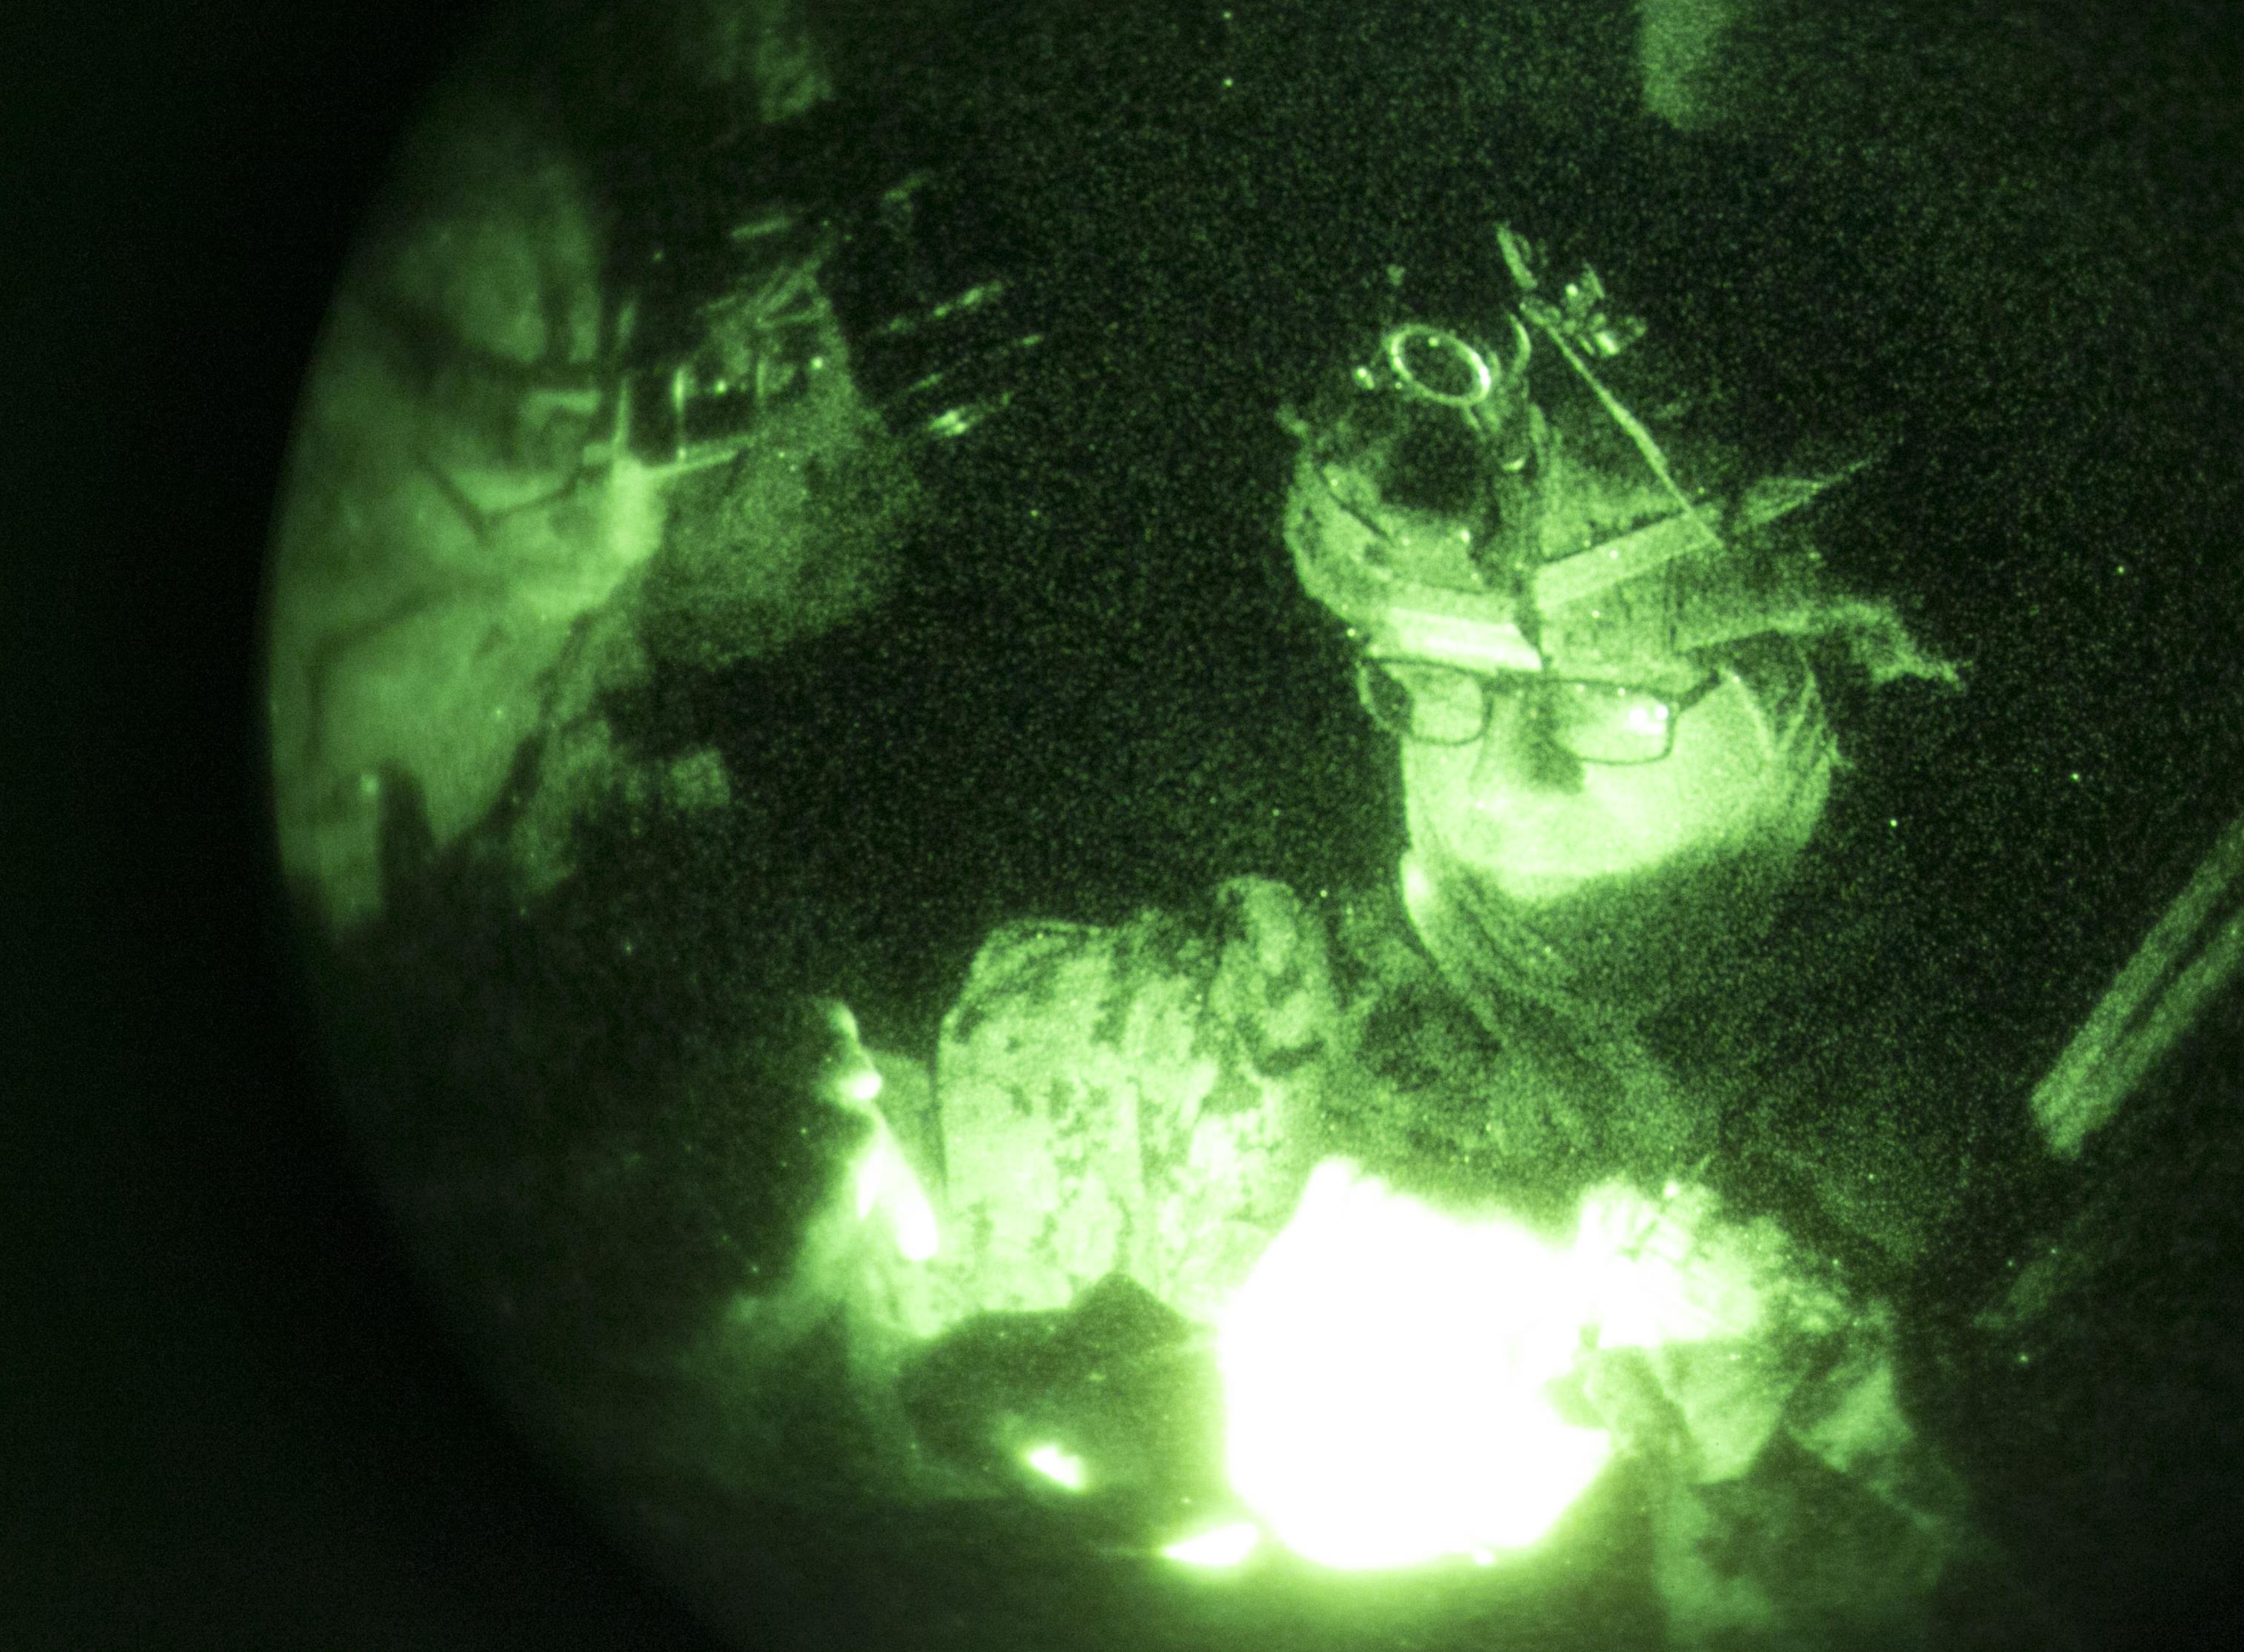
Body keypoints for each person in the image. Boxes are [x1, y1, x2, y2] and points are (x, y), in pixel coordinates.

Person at [704, 221, 1973, 1650]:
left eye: (1606, 705)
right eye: (1436, 689)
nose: (1501, 786)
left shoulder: (1948, 1124)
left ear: (1827, 700)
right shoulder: (1213, 1002)